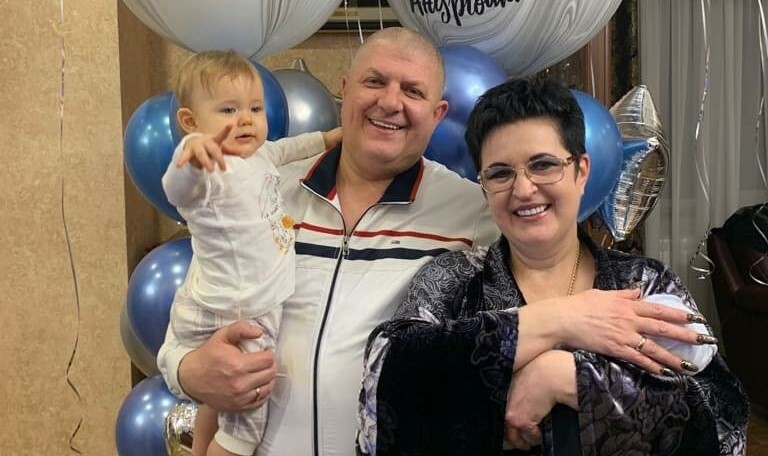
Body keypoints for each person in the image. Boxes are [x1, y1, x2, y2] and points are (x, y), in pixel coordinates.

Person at [158, 29, 724, 456]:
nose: (390, 102)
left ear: (437, 114)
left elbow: (708, 401)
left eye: (413, 90)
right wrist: (188, 371)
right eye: (375, 82)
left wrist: (568, 372)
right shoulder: (259, 191)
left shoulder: (474, 211)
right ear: (345, 90)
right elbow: (205, 302)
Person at [357, 78, 749, 455]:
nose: (523, 189)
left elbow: (723, 418)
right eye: (500, 173)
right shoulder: (455, 279)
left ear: (581, 171)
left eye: (543, 165)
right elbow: (385, 380)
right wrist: (559, 320)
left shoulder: (644, 283)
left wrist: (571, 378)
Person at [161, 50, 341, 456]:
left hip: (223, 300)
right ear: (190, 121)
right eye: (228, 109)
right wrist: (191, 156)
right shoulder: (209, 169)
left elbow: (289, 148)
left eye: (255, 109)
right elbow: (177, 190)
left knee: (217, 402)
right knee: (247, 423)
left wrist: (329, 139)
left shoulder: (259, 155)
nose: (245, 119)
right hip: (241, 310)